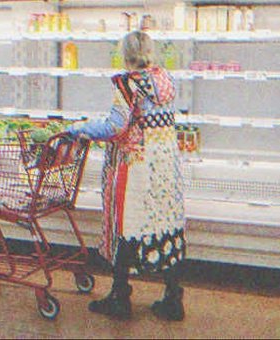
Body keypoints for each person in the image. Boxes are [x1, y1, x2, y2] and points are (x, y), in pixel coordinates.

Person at [67, 30, 186, 321]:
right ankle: (173, 297)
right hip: (165, 166)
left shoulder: (126, 83)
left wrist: (79, 128)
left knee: (127, 227)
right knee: (164, 223)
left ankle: (120, 297)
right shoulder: (165, 80)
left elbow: (115, 128)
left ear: (125, 54)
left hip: (135, 167)